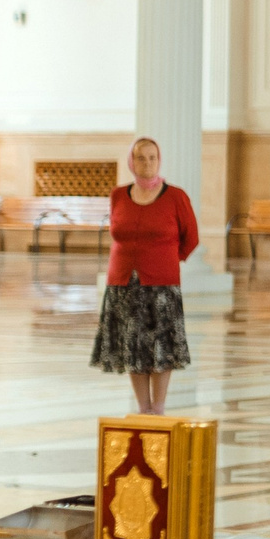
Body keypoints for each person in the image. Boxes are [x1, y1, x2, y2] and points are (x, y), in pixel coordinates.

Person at [91, 136, 198, 416]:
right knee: (134, 347)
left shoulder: (176, 196)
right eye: (141, 158)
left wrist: (167, 260)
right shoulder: (118, 195)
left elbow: (192, 238)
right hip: (123, 283)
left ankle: (158, 408)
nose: (147, 163)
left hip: (161, 285)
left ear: (159, 160)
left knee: (160, 348)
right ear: (132, 161)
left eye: (152, 158)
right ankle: (143, 408)